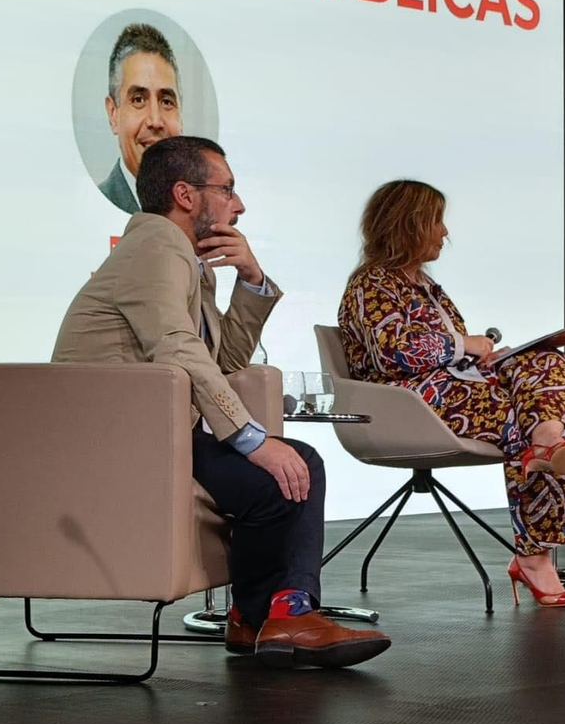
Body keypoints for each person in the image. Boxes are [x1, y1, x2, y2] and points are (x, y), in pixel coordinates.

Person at [53, 136, 391, 668]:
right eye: (227, 190)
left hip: (153, 429)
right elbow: (175, 345)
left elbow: (225, 358)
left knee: (301, 462)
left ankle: (281, 611)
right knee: (273, 478)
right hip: (116, 439)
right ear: (185, 195)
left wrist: (252, 280)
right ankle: (261, 615)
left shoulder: (181, 256)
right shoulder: (157, 246)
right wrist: (251, 441)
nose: (239, 205)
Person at [336, 179, 565, 609]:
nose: (444, 232)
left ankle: (547, 442)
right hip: (406, 403)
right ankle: (534, 546)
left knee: (547, 361)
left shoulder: (428, 288)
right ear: (410, 225)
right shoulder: (371, 284)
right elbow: (392, 353)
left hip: (454, 390)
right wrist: (466, 346)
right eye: (436, 221)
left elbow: (453, 355)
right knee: (519, 419)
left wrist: (489, 359)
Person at [96, 23, 183, 214]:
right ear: (113, 114)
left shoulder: (198, 217)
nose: (155, 121)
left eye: (167, 102)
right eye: (138, 100)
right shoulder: (95, 207)